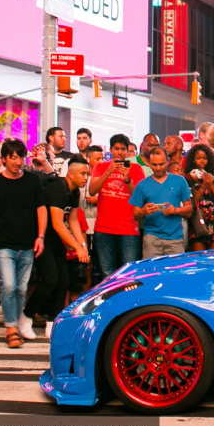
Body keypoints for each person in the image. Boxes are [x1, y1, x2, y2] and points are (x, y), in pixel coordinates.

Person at [0, 138, 46, 348]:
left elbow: (41, 209)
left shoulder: (33, 181)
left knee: (21, 289)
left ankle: (14, 325)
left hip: (28, 244)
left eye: (21, 157)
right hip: (4, 244)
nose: (18, 162)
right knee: (8, 285)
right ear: (4, 159)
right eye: (13, 158)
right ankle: (10, 328)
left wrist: (40, 237)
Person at [24, 157, 90, 332]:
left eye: (87, 174)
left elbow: (73, 220)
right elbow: (58, 224)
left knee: (63, 281)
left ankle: (52, 322)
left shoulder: (75, 192)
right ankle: (26, 315)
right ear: (71, 174)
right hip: (39, 236)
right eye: (82, 174)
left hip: (54, 239)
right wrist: (77, 247)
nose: (86, 178)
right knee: (51, 279)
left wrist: (83, 247)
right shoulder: (57, 188)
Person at [88, 134, 145, 278]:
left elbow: (140, 198)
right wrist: (108, 171)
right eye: (116, 149)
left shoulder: (136, 169)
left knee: (130, 275)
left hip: (129, 228)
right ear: (110, 150)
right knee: (107, 274)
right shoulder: (101, 167)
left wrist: (128, 180)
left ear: (127, 151)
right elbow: (92, 190)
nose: (119, 152)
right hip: (104, 227)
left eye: (123, 149)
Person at [130, 148, 193, 257]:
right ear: (149, 164)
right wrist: (144, 211)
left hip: (175, 238)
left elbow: (189, 209)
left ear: (167, 162)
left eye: (161, 164)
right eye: (154, 165)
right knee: (152, 268)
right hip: (152, 238)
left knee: (175, 268)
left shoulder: (180, 181)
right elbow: (135, 215)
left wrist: (175, 210)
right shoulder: (142, 185)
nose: (158, 168)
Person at [184, 145, 214, 250]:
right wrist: (203, 186)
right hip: (197, 220)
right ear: (193, 160)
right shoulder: (187, 177)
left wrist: (210, 183)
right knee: (199, 255)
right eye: (198, 158)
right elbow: (192, 201)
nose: (202, 161)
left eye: (205, 158)